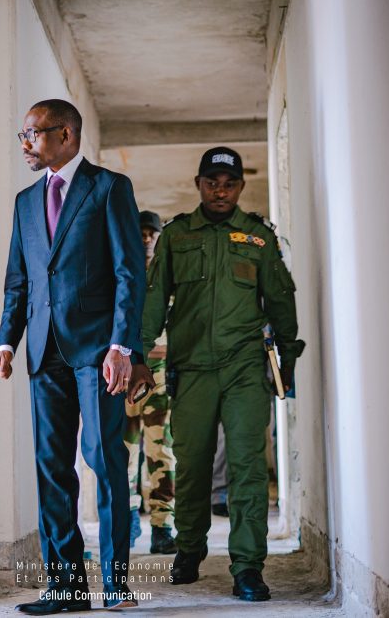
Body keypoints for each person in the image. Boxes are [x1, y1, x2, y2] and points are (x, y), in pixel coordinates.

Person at [128, 146, 305, 602]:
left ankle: (248, 567)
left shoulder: (258, 238)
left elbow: (281, 300)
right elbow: (153, 299)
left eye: (228, 184)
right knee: (192, 466)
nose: (220, 191)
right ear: (199, 185)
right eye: (212, 183)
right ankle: (189, 550)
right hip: (190, 370)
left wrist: (287, 358)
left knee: (246, 469)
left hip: (245, 368)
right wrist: (140, 356)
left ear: (240, 187)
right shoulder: (177, 236)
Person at [0, 99, 145, 614]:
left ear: (66, 135)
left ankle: (117, 584)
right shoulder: (24, 202)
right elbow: (19, 279)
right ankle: (67, 587)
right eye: (23, 134)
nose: (25, 144)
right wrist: (6, 341)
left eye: (33, 134)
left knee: (103, 460)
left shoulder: (108, 188)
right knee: (52, 468)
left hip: (98, 350)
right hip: (43, 351)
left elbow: (129, 272)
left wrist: (123, 346)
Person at [123, 211, 177, 554]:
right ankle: (126, 521)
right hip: (126, 372)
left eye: (151, 234)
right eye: (141, 233)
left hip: (160, 370)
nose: (146, 239)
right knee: (123, 452)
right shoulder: (123, 272)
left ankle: (162, 527)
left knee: (162, 450)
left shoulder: (168, 275)